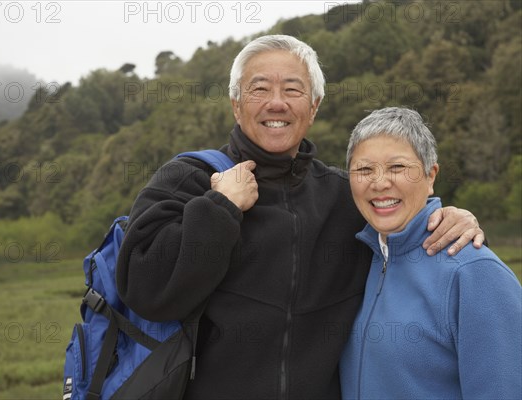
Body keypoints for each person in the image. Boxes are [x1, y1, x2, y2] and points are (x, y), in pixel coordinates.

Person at [117, 35, 485, 399]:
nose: (276, 103)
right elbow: (145, 292)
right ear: (235, 104)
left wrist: (451, 215)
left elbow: (403, 218)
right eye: (259, 89)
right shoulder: (189, 178)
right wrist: (220, 208)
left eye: (292, 90)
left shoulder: (346, 196)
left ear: (314, 106)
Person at [339, 107, 521, 399]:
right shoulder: (362, 258)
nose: (380, 182)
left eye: (398, 167)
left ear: (430, 174)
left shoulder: (476, 273)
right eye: (364, 169)